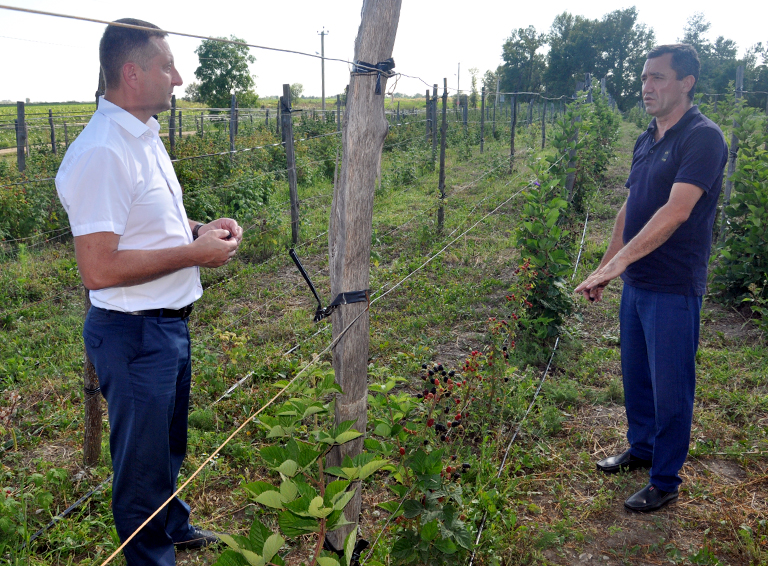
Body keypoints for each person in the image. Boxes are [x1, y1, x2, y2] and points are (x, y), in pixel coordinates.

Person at [55, 19, 242, 565]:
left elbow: (145, 230)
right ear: (131, 73)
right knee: (139, 467)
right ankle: (150, 556)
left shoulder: (143, 137)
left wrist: (198, 233)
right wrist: (194, 254)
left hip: (165, 324)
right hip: (134, 334)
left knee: (165, 448)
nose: (178, 78)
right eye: (167, 66)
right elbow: (98, 269)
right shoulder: (103, 152)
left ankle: (173, 526)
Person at [574, 44, 727, 513]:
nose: (647, 87)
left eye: (658, 78)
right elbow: (631, 206)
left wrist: (621, 263)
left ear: (686, 83)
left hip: (673, 285)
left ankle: (665, 479)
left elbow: (676, 212)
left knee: (671, 385)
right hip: (637, 281)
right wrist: (607, 264)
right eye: (644, 78)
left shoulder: (702, 138)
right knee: (637, 376)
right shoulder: (648, 137)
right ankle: (641, 449)